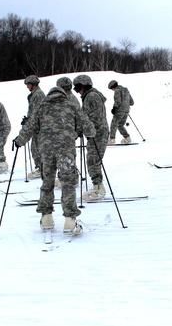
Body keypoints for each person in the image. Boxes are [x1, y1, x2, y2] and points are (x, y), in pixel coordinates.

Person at [13, 86, 95, 235]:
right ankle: (70, 221)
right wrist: (89, 134)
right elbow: (87, 125)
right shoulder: (71, 105)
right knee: (68, 183)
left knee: (47, 182)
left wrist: (19, 140)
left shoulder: (42, 106)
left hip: (45, 150)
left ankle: (46, 218)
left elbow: (30, 126)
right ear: (63, 95)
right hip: (65, 150)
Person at [76, 74, 109, 200]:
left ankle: (98, 189)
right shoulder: (89, 96)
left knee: (93, 161)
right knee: (92, 160)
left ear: (84, 85)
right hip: (94, 133)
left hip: (97, 133)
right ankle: (97, 186)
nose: (78, 92)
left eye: (78, 88)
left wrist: (86, 129)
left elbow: (95, 117)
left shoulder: (92, 96)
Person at [23, 75, 46, 178]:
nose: (27, 87)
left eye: (28, 85)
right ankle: (40, 167)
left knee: (37, 148)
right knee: (35, 148)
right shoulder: (34, 94)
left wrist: (30, 122)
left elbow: (37, 112)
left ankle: (42, 169)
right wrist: (28, 120)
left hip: (39, 126)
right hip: (36, 126)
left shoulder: (38, 95)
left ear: (32, 85)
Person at [107, 80, 134, 144]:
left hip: (119, 110)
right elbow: (132, 102)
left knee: (114, 124)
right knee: (120, 125)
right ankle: (127, 138)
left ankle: (112, 139)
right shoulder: (126, 90)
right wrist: (125, 105)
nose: (112, 90)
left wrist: (114, 108)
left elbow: (118, 101)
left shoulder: (117, 90)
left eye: (111, 89)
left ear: (113, 87)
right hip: (126, 111)